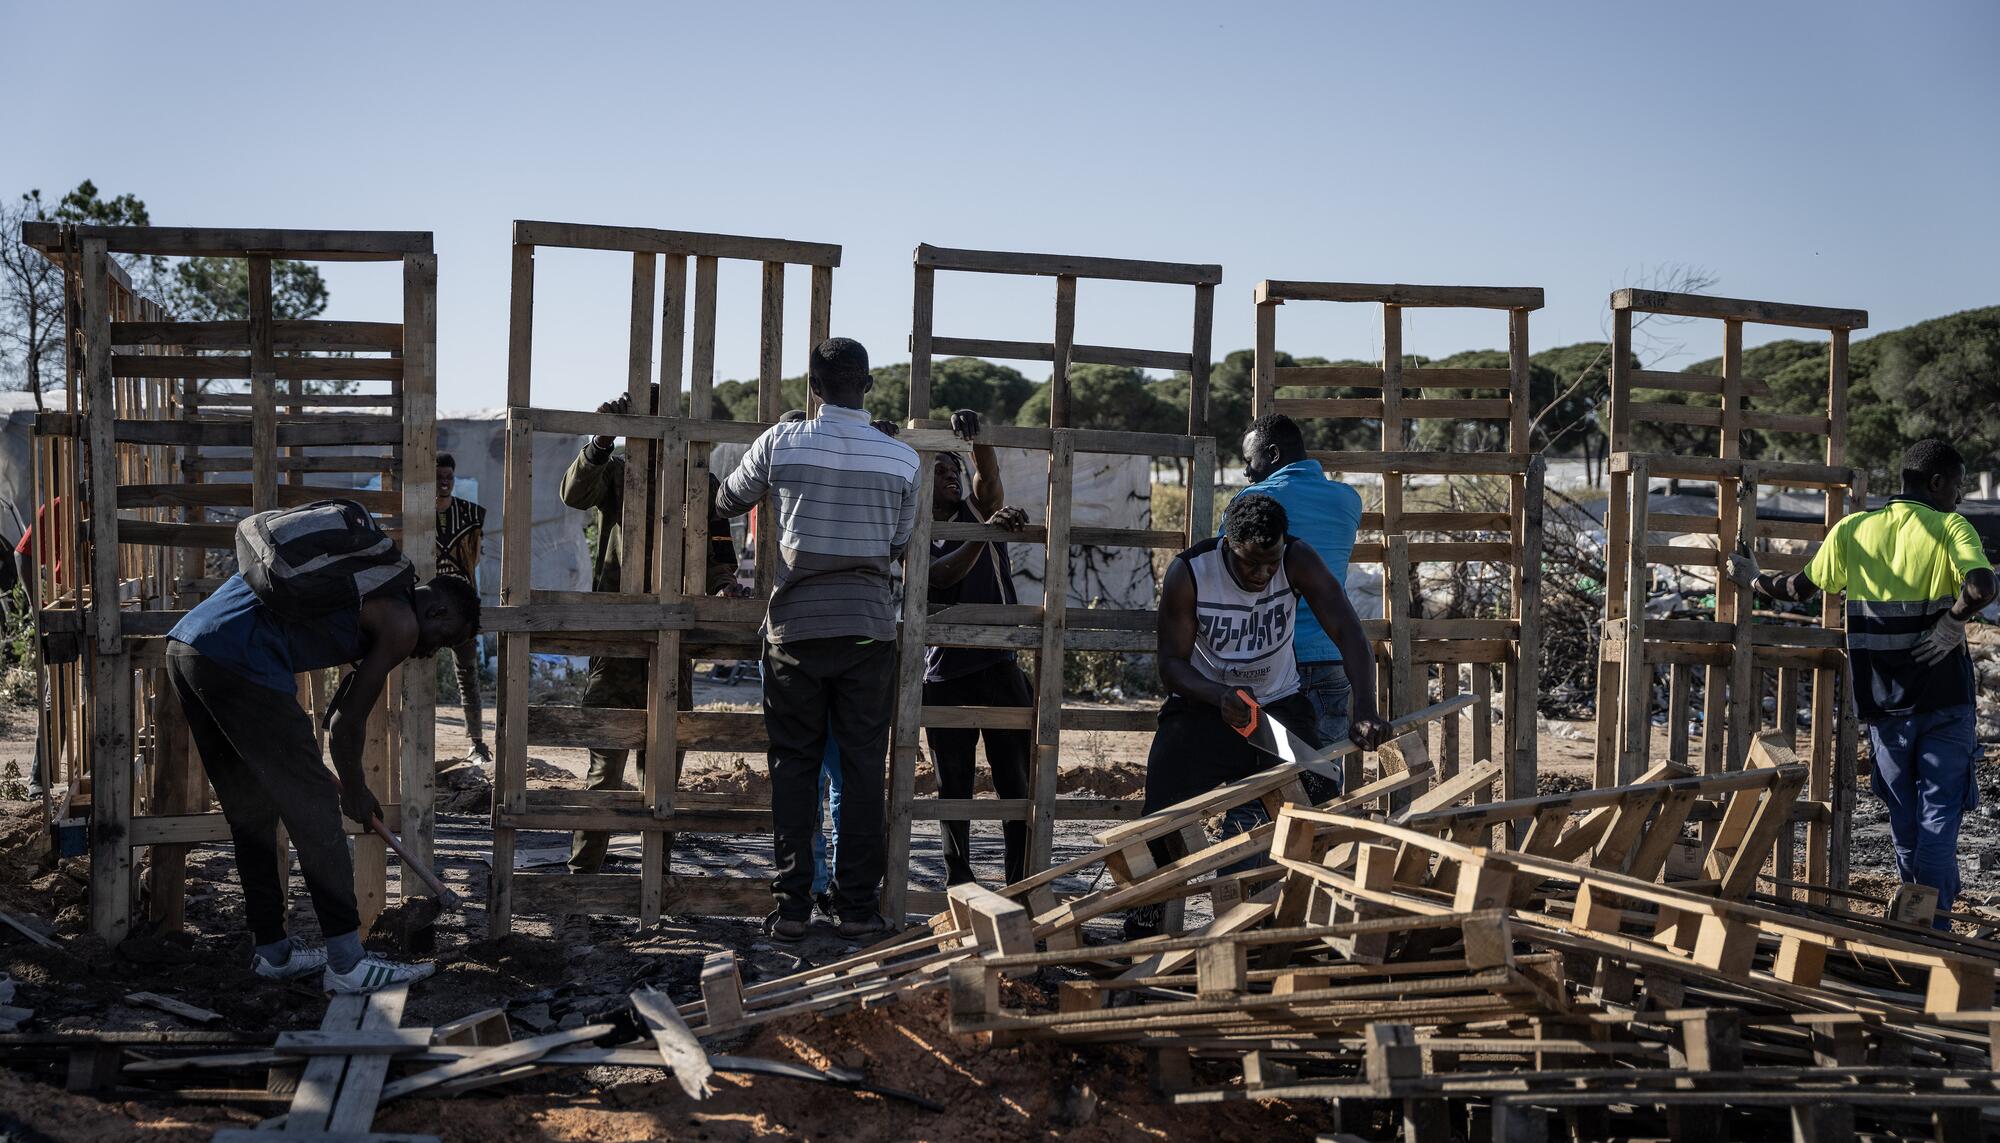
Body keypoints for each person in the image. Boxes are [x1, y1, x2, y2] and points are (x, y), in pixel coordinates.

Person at [166, 565, 479, 992]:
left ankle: (273, 953)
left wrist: (354, 786)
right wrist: (353, 790)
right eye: (443, 639)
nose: (431, 651)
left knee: (250, 811)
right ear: (438, 609)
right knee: (316, 814)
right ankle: (349, 965)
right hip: (245, 660)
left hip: (188, 648)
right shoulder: (402, 621)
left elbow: (336, 716)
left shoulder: (368, 586)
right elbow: (347, 725)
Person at [1737, 439, 1996, 926]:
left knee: (1903, 816)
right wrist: (1952, 621)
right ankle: (1932, 921)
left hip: (1882, 704)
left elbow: (1799, 589)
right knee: (1939, 815)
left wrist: (1752, 580)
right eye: (1959, 486)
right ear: (1937, 483)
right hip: (1944, 699)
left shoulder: (1853, 528)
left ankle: (1914, 915)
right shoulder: (1950, 527)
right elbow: (1982, 588)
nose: (1960, 497)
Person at [714, 337, 919, 941]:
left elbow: (729, 498)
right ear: (869, 386)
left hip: (796, 631)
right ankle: (857, 908)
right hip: (867, 631)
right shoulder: (901, 460)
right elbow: (896, 546)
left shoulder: (781, 441)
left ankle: (795, 908)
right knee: (860, 771)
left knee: (794, 768)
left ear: (813, 386)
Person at [1128, 493, 1391, 938]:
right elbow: (1171, 665)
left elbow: (1347, 629)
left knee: (1318, 791)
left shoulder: (1295, 557)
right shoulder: (1190, 572)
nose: (1263, 574)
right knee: (1162, 816)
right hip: (1205, 707)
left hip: (1277, 708)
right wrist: (1217, 694)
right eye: (1252, 563)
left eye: (1271, 564)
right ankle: (1144, 930)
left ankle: (1296, 922)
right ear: (1229, 544)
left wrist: (1364, 707)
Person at [562, 386, 738, 876]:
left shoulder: (701, 484)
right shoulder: (620, 473)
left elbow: (722, 557)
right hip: (619, 638)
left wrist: (724, 586)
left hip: (674, 641)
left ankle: (655, 874)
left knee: (663, 768)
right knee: (605, 766)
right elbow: (574, 494)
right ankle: (584, 872)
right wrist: (601, 440)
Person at [923, 409, 1032, 887]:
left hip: (999, 664)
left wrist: (978, 431)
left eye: (954, 470)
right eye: (939, 471)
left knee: (1016, 784)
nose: (952, 477)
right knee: (955, 790)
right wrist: (985, 534)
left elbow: (987, 474)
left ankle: (1021, 882)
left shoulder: (977, 508)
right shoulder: (914, 531)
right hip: (945, 675)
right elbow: (940, 578)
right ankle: (959, 886)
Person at [1233, 413, 1364, 792]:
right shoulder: (1347, 500)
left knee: (1259, 785)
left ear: (1272, 454)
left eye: (1250, 460)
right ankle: (1319, 850)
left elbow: (1227, 573)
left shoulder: (1253, 501)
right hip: (1330, 656)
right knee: (1321, 779)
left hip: (1270, 662)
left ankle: (1249, 852)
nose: (1246, 471)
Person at [434, 453, 490, 764]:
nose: (444, 482)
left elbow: (476, 556)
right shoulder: (417, 515)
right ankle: (418, 737)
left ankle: (477, 742)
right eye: (439, 476)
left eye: (449, 477)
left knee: (468, 674)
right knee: (418, 674)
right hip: (426, 606)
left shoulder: (470, 515)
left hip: (461, 605)